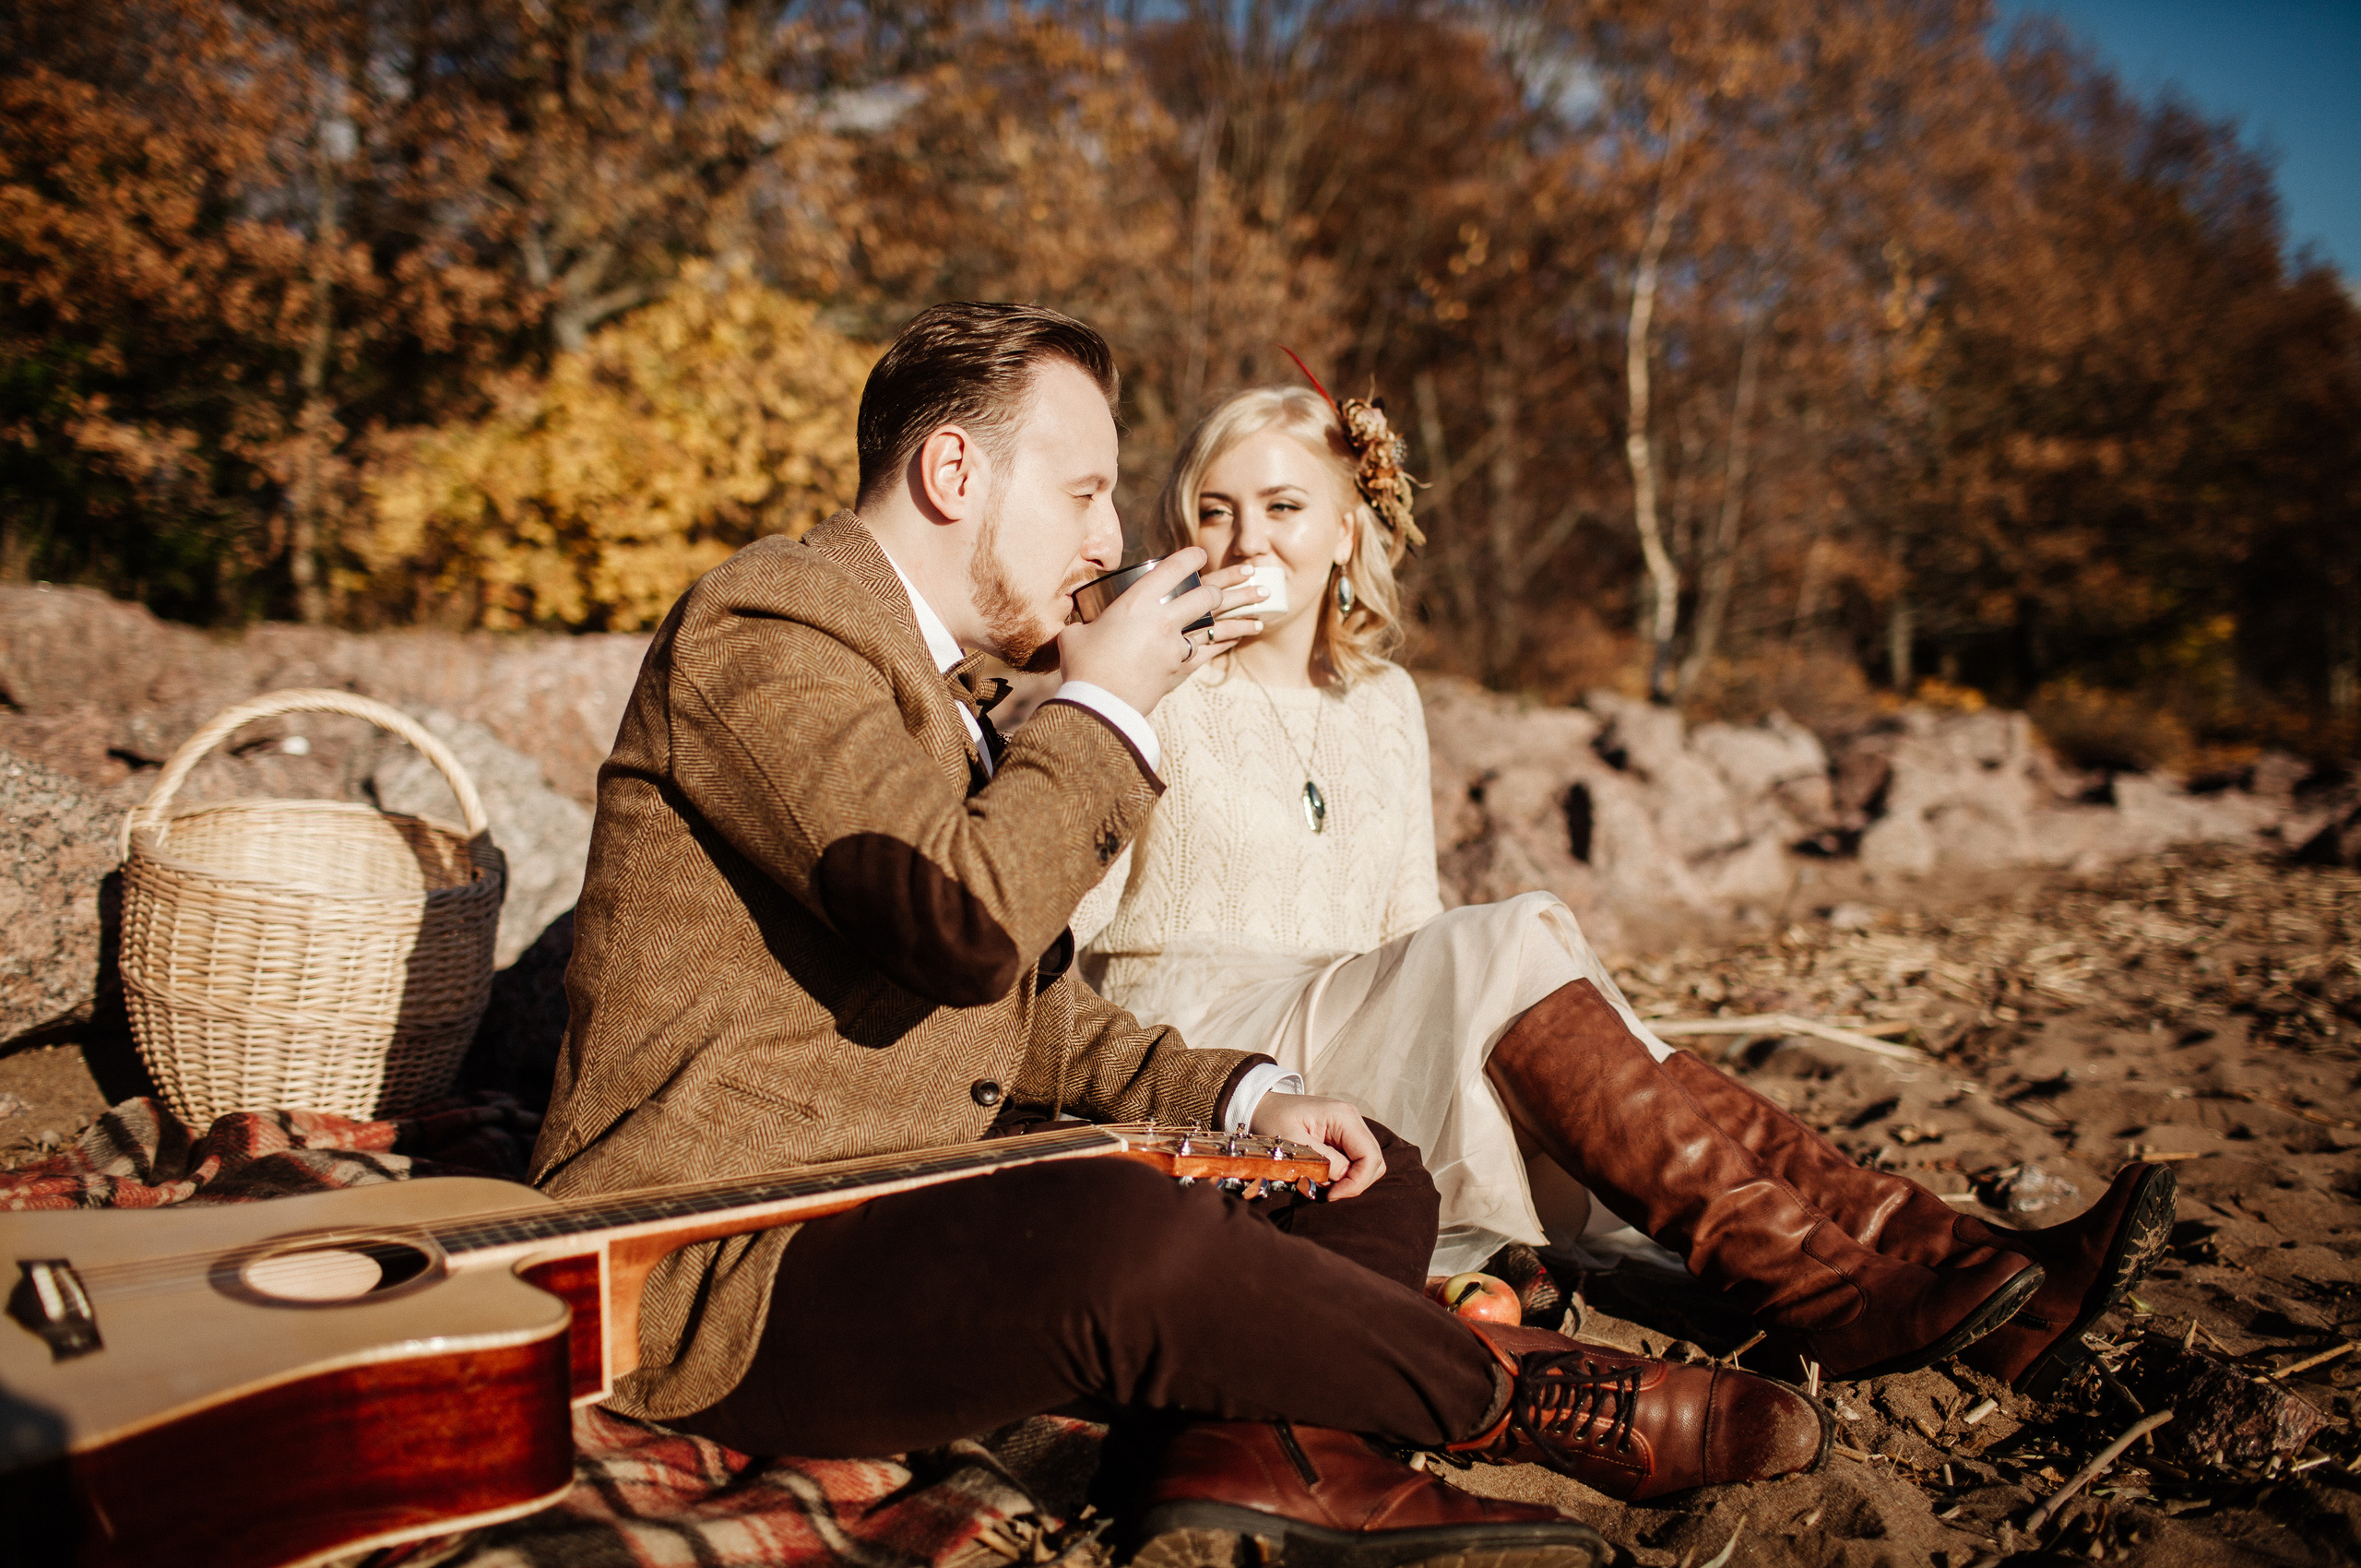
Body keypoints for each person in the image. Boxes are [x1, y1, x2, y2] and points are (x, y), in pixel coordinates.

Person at [528, 303, 1833, 1568]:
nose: (1112, 533)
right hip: (716, 1266)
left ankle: (1260, 1459)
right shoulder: (772, 627)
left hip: (901, 1198)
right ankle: (1500, 1386)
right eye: (1085, 490)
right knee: (1111, 1229)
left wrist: (1246, 1089)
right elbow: (957, 926)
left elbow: (1023, 1009)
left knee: (1367, 1165)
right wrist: (1107, 700)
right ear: (951, 469)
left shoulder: (961, 688)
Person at [1073, 377, 2176, 1397]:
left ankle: (1965, 1267)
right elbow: (1062, 931)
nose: (1244, 540)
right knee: (1506, 941)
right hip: (1212, 1042)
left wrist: (1467, 1030)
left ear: (1347, 530)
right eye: (1213, 511)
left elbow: (1409, 925)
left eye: (1281, 507)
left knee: (1514, 971)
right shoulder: (1154, 681)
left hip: (1363, 1026)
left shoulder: (1385, 700)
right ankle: (1829, 1288)